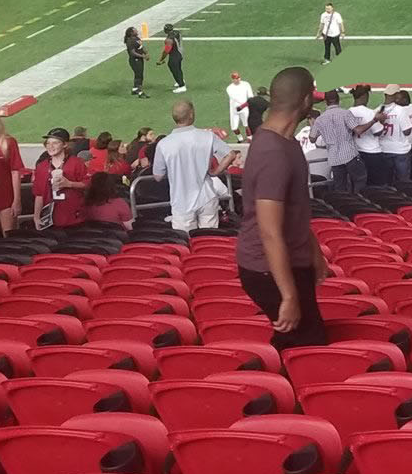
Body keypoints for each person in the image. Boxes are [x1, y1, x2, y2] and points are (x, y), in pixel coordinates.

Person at [236, 67, 326, 344]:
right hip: (269, 268)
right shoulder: (274, 154)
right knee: (307, 343)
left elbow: (293, 210)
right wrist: (288, 295)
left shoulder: (282, 142)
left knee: (300, 338)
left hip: (287, 262)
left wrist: (315, 253)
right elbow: (269, 231)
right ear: (306, 102)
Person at [152, 99, 233, 232]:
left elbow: (158, 176)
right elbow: (230, 154)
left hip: (181, 201)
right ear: (191, 114)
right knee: (208, 240)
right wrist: (215, 171)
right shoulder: (207, 136)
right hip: (206, 197)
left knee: (186, 241)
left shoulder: (164, 144)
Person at [32, 128, 89, 229]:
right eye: (48, 143)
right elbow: (39, 195)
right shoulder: (42, 167)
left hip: (73, 218)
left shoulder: (76, 163)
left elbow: (87, 184)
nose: (51, 146)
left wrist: (70, 184)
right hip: (50, 219)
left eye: (55, 143)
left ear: (65, 144)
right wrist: (36, 216)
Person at [309, 88, 361, 193]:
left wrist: (315, 127)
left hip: (334, 157)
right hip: (350, 155)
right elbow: (358, 130)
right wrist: (374, 120)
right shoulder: (345, 113)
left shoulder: (320, 119)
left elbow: (312, 139)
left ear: (326, 101)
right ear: (338, 99)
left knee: (339, 187)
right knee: (359, 182)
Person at [0, 111, 18, 237]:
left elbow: (15, 171)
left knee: (8, 238)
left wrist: (17, 200)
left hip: (5, 196)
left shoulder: (8, 142)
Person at [124, 25, 148, 99]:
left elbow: (141, 46)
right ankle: (140, 92)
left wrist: (146, 53)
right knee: (139, 76)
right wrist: (143, 56)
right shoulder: (130, 41)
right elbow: (133, 53)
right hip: (135, 60)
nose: (137, 31)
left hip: (139, 59)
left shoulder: (137, 38)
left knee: (138, 74)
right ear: (131, 33)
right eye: (135, 30)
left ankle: (135, 89)